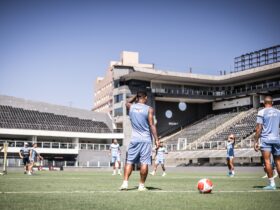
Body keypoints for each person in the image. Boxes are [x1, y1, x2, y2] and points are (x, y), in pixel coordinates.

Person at [119, 91, 160, 191]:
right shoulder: (149, 109)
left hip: (134, 139)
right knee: (144, 163)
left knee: (129, 162)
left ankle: (125, 183)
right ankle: (141, 186)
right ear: (145, 98)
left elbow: (126, 103)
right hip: (146, 140)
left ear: (137, 98)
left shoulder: (131, 107)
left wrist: (135, 97)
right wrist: (157, 139)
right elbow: (151, 125)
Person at [254, 96, 280, 190]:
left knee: (267, 161)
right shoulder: (278, 112)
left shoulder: (261, 112)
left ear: (264, 103)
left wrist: (255, 141)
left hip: (266, 140)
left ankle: (272, 184)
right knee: (278, 161)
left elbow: (259, 128)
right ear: (272, 102)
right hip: (277, 139)